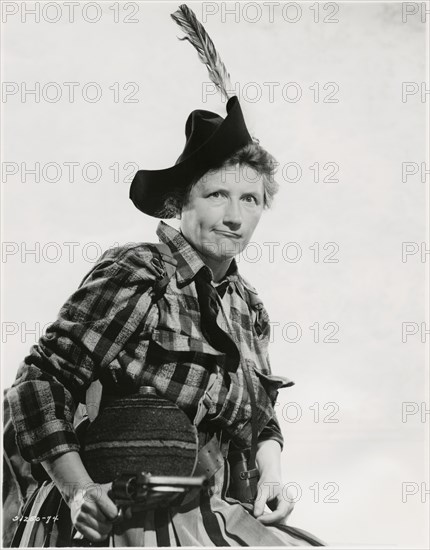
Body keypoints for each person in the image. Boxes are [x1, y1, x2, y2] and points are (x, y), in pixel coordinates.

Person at [6, 96, 325, 547]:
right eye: (217, 195)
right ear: (180, 203)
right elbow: (40, 380)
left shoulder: (247, 308)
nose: (234, 217)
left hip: (207, 511)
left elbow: (263, 422)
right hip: (119, 514)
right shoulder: (140, 271)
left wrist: (271, 477)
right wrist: (78, 492)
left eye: (250, 199)